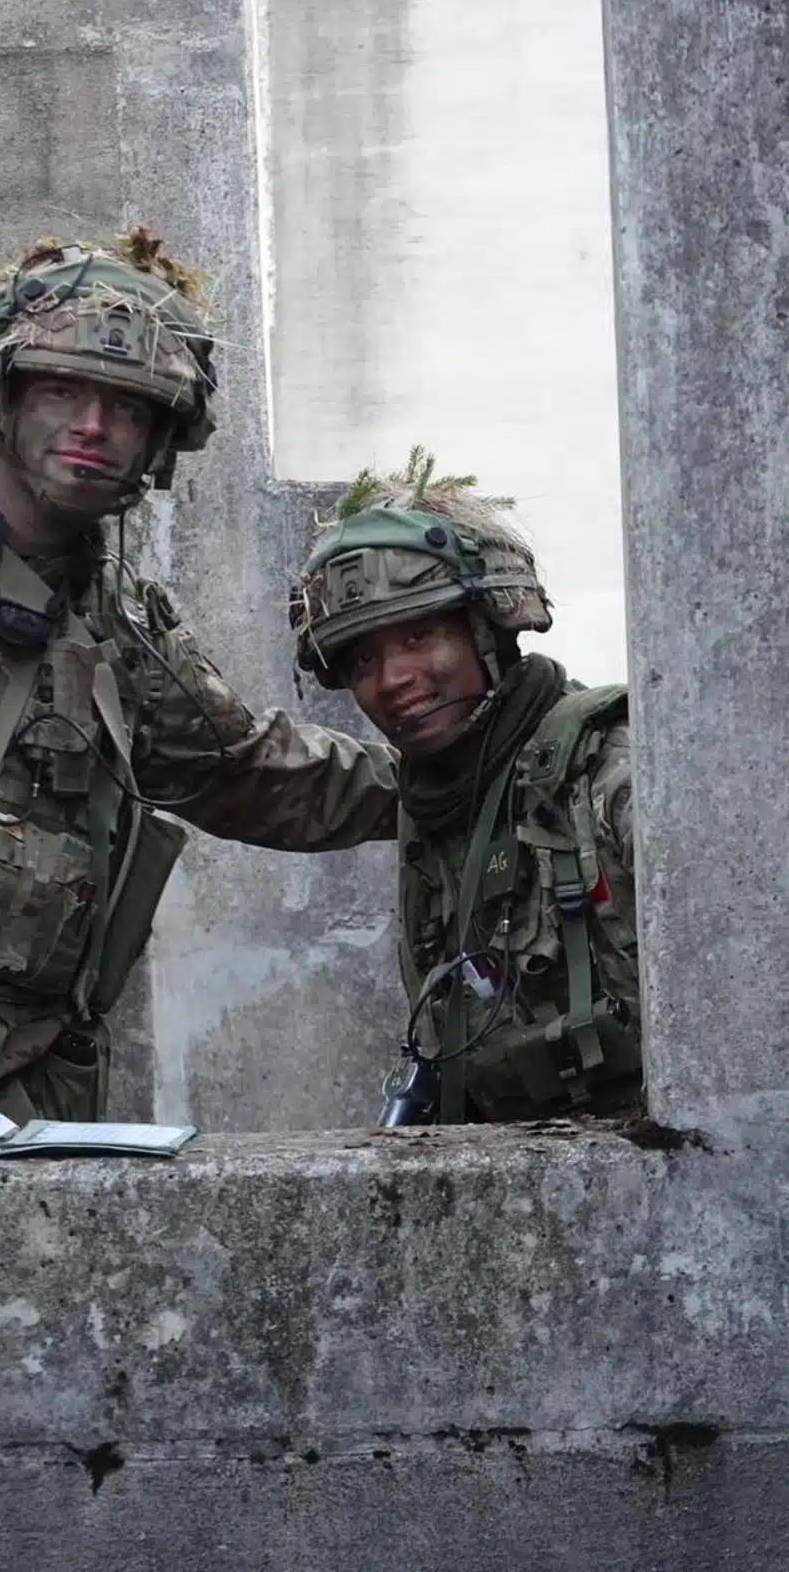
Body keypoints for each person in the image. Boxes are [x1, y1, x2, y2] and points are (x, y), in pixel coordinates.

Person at [0, 230, 397, 1124]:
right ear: (0, 398)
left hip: (1, 1117)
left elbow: (258, 775)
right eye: (62, 391)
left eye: (128, 408)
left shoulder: (125, 637)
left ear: (159, 444)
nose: (93, 427)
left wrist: (469, 771)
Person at [291, 450, 640, 1126]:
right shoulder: (436, 809)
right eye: (362, 659)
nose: (393, 680)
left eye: (420, 635)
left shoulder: (609, 772)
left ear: (489, 629)